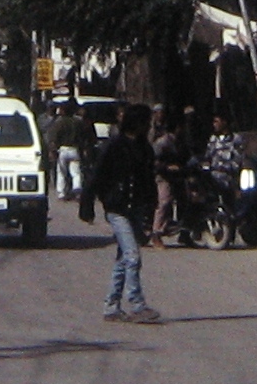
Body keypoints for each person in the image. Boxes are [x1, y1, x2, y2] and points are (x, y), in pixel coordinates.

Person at [81, 105, 161, 325]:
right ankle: (137, 305)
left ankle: (111, 306)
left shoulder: (145, 148)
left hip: (135, 208)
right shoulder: (114, 146)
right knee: (133, 256)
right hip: (116, 209)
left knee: (123, 258)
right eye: (146, 122)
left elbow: (148, 179)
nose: (149, 126)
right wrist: (87, 205)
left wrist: (151, 205)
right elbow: (96, 176)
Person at [150, 113, 189, 242]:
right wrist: (167, 167)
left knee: (185, 199)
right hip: (163, 176)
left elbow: (186, 156)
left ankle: (185, 233)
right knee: (164, 201)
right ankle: (156, 233)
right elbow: (153, 161)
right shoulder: (163, 142)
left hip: (178, 175)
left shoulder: (181, 141)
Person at [45, 104, 90, 202]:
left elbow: (54, 137)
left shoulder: (59, 122)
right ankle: (77, 191)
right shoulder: (78, 122)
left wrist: (52, 150)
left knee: (61, 172)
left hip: (63, 149)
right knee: (76, 172)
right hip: (75, 149)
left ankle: (61, 193)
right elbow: (84, 136)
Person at [203, 113, 247, 194]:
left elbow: (238, 161)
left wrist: (223, 168)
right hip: (212, 176)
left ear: (224, 122)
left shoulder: (235, 138)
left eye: (216, 122)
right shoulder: (213, 139)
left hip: (228, 177)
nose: (214, 125)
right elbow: (208, 156)